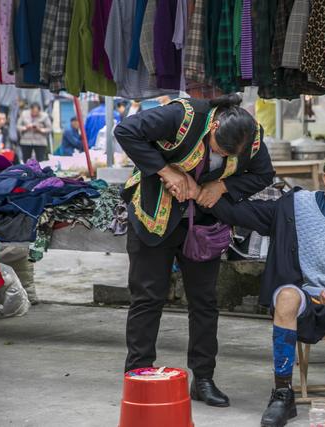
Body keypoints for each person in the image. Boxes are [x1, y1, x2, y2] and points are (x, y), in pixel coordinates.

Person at [188, 147, 325, 427]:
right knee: (285, 296)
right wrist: (202, 193)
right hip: (303, 299)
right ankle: (283, 393)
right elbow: (242, 213)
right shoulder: (296, 206)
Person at [114, 94, 275, 408]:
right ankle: (138, 375)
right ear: (214, 125)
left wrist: (223, 187)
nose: (218, 155)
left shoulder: (250, 135)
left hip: (203, 223)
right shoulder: (182, 116)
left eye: (227, 155)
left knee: (204, 301)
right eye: (216, 147)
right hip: (155, 212)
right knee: (148, 297)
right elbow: (126, 131)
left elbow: (263, 174)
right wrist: (167, 172)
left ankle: (203, 379)